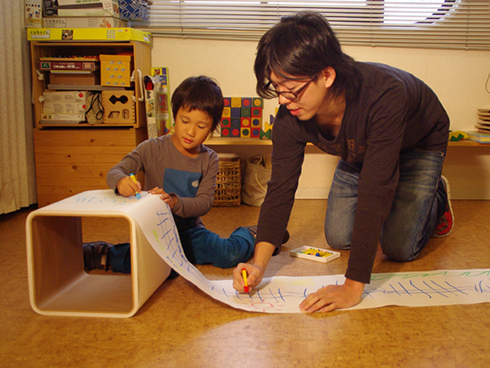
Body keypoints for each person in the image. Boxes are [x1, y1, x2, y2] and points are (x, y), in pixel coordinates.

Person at [232, 11, 453, 312]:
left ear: (326, 75)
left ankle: (436, 197)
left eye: (291, 90)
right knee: (337, 236)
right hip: (361, 149)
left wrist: (353, 286)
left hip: (418, 142)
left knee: (398, 247)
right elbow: (280, 189)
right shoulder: (290, 114)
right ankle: (407, 197)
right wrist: (258, 264)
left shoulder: (383, 95)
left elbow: (374, 192)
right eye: (276, 89)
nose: (283, 100)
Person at [107, 76, 258, 269]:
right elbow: (115, 171)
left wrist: (175, 202)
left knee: (228, 255)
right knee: (152, 266)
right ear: (174, 115)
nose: (190, 132)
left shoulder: (209, 159)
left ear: (212, 128)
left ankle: (249, 235)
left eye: (201, 126)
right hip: (155, 231)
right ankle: (101, 253)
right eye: (184, 121)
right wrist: (120, 181)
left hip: (190, 231)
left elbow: (204, 203)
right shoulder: (151, 148)